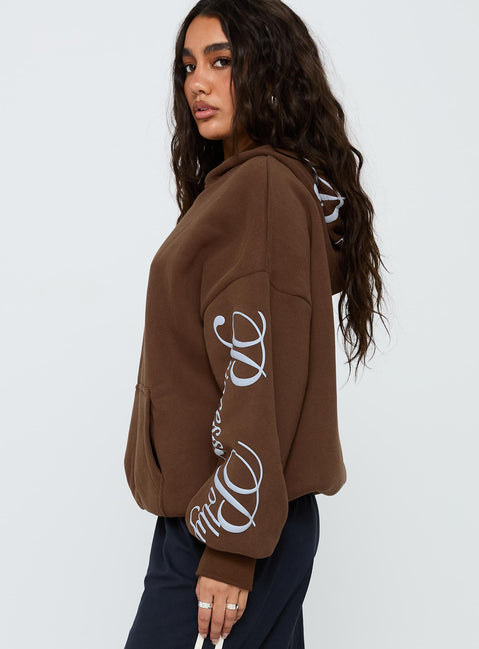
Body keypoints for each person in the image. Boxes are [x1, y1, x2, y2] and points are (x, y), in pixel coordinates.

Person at [123, 1, 389, 647]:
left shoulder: (261, 188)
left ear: (270, 71)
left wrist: (231, 547)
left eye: (221, 61)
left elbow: (258, 377)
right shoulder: (250, 187)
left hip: (229, 524)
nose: (197, 83)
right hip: (239, 515)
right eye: (189, 65)